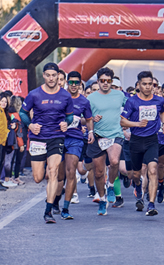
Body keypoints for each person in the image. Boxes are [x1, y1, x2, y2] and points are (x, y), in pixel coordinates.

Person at [20, 62, 74, 223]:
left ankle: (48, 210)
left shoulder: (65, 96)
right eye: (48, 75)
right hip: (37, 138)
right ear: (44, 76)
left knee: (53, 171)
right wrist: (30, 124)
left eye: (54, 75)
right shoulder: (34, 94)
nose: (51, 78)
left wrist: (66, 122)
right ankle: (50, 199)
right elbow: (23, 113)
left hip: (56, 137)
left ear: (58, 76)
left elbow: (70, 115)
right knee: (38, 177)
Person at [121, 71, 164, 216]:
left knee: (152, 170)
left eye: (150, 84)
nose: (148, 87)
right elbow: (122, 121)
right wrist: (137, 124)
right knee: (136, 174)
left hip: (152, 140)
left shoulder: (159, 100)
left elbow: (163, 111)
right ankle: (138, 185)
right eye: (145, 84)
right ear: (139, 85)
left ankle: (151, 205)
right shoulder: (132, 101)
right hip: (136, 140)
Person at [87, 67, 127, 216]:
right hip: (98, 136)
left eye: (108, 81)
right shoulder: (91, 98)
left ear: (112, 81)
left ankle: (111, 186)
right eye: (102, 81)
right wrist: (91, 120)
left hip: (115, 134)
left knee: (115, 161)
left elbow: (130, 107)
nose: (105, 83)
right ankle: (103, 200)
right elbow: (85, 118)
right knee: (98, 173)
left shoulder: (119, 95)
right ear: (98, 82)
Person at [61, 71, 94, 219]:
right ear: (67, 82)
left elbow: (88, 119)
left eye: (76, 83)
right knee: (56, 174)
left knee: (71, 171)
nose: (73, 85)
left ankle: (66, 208)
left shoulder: (84, 101)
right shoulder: (59, 96)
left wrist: (91, 131)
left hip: (75, 138)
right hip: (58, 137)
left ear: (80, 84)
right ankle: (55, 201)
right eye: (71, 82)